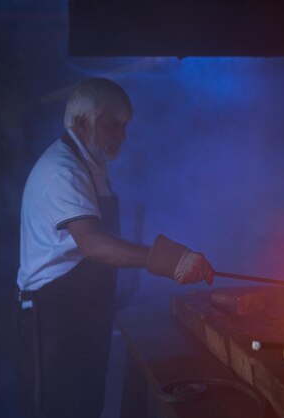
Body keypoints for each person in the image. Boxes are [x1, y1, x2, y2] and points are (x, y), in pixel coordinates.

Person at [14, 77, 214, 418]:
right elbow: (92, 244)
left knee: (86, 407)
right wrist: (168, 260)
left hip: (85, 313)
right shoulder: (63, 171)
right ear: (81, 122)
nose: (121, 137)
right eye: (112, 126)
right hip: (53, 318)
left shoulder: (92, 167)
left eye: (124, 127)